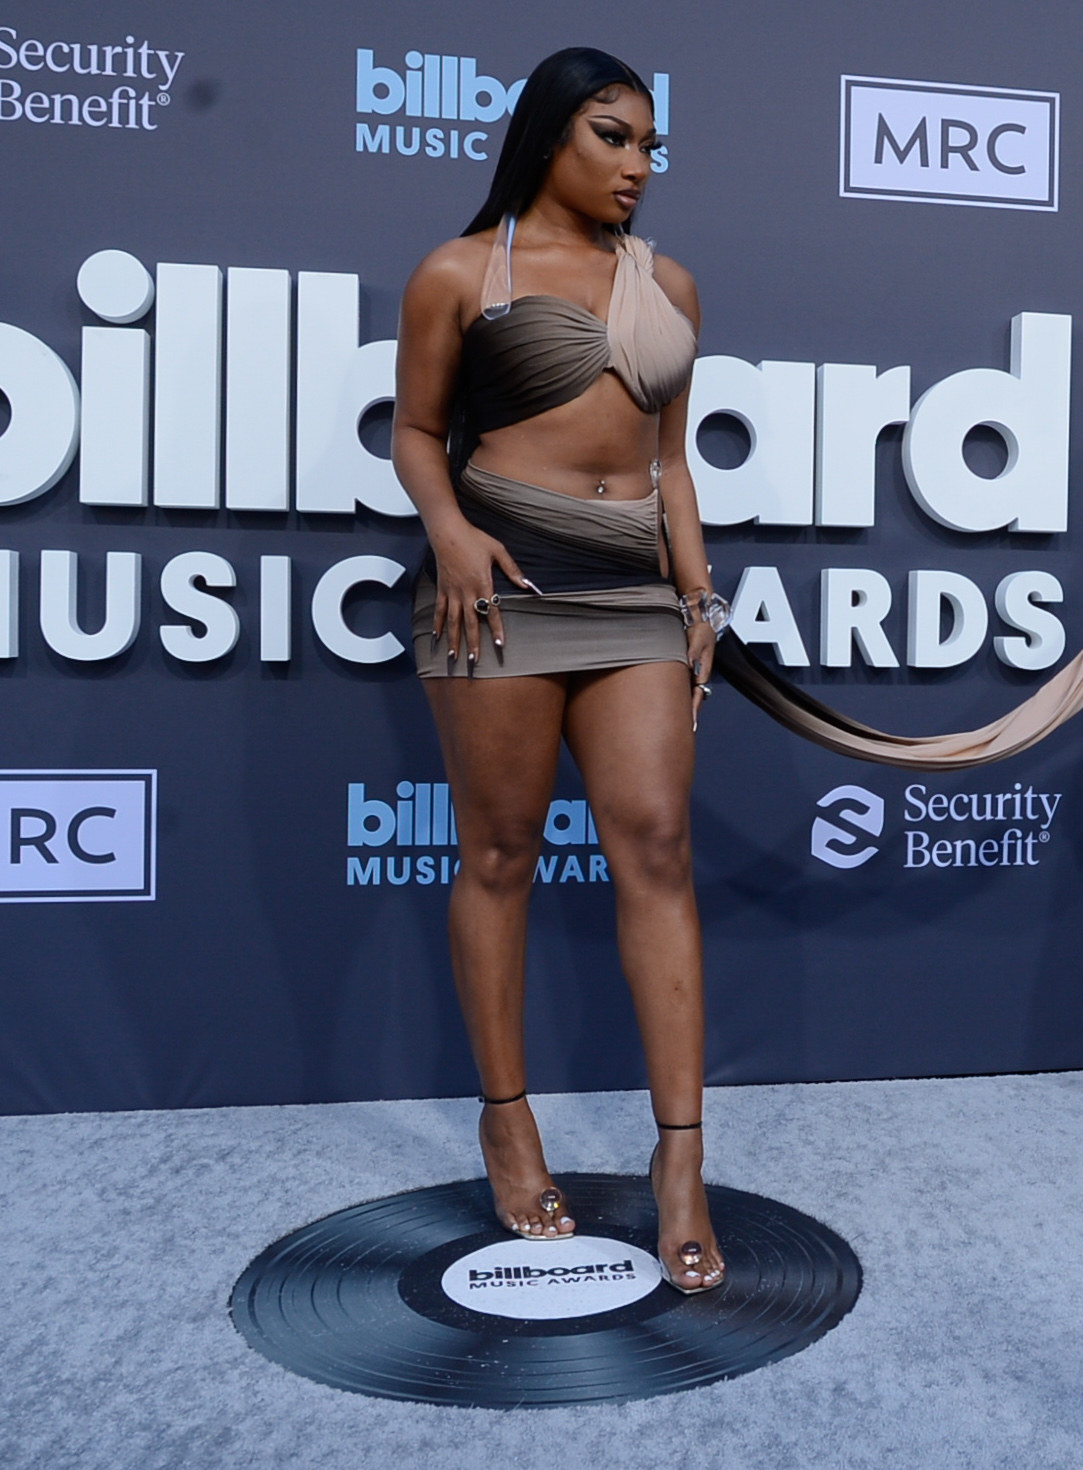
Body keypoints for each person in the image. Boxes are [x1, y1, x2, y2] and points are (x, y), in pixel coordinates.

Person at [390, 47, 726, 1291]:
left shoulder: (670, 282)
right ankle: (507, 1118)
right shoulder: (455, 274)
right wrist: (450, 532)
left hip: (632, 589)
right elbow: (418, 433)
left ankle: (678, 1159)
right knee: (498, 856)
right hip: (500, 585)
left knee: (654, 846)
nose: (637, 166)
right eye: (613, 137)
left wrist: (700, 594)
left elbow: (670, 462)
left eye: (649, 145)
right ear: (548, 138)